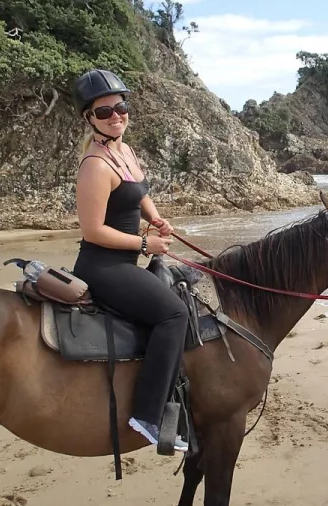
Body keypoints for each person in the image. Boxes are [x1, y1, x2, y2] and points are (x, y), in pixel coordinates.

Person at [70, 69, 191, 450]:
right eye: (104, 112)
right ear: (89, 119)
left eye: (120, 107)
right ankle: (148, 417)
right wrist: (143, 245)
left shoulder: (124, 150)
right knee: (174, 315)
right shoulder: (95, 166)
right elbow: (92, 231)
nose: (115, 116)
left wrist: (154, 217)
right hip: (103, 266)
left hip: (125, 260)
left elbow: (137, 193)